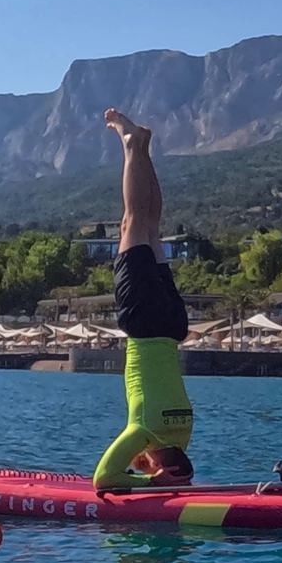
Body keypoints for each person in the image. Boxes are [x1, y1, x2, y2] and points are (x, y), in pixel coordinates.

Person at [93, 109, 195, 491]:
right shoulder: (145, 430)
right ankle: (133, 145)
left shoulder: (182, 432)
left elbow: (174, 461)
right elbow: (104, 480)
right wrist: (151, 485)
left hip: (172, 327)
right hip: (145, 323)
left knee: (150, 228)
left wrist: (161, 473)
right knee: (132, 222)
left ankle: (143, 149)